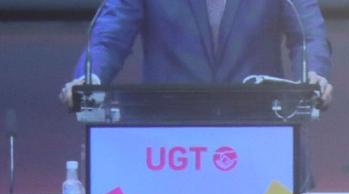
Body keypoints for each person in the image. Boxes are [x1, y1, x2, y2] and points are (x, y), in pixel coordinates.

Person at [59, 0, 333, 108]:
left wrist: (312, 77)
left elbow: (307, 35)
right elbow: (109, 38)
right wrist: (89, 79)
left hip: (265, 142)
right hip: (168, 147)